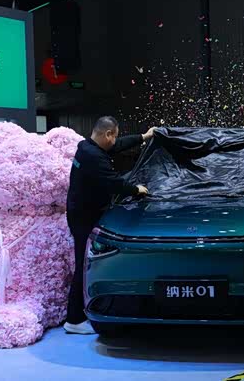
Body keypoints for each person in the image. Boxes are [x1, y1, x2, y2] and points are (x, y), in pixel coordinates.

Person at [64, 116, 156, 334]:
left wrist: (144, 136)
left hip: (80, 213)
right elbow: (114, 182)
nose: (115, 141)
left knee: (85, 263)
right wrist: (137, 190)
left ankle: (79, 314)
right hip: (84, 218)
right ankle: (74, 320)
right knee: (84, 265)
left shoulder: (87, 147)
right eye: (114, 136)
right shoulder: (94, 157)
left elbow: (118, 145)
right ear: (107, 134)